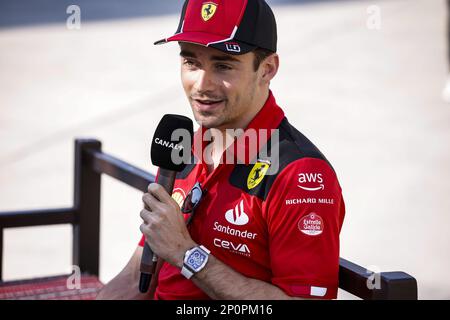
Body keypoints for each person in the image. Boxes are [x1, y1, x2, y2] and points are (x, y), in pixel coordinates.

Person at [96, 0, 345, 300]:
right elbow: (137, 276)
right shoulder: (181, 146)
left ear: (267, 69)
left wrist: (186, 254)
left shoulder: (301, 175)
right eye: (191, 62)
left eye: (223, 65)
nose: (202, 84)